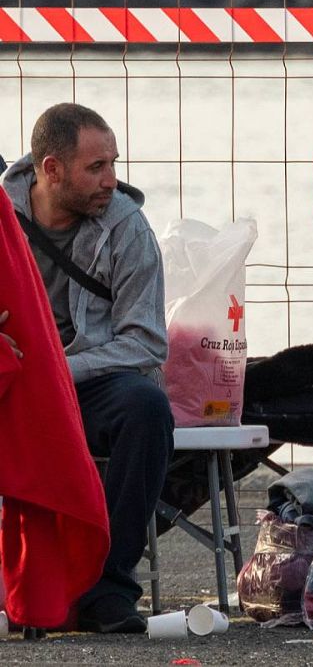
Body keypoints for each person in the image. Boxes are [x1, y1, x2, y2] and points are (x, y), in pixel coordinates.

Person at [3, 103, 170, 634]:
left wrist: (58, 371)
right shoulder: (3, 217)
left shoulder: (127, 226)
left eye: (113, 164)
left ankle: (108, 588)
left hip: (85, 382)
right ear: (50, 169)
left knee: (146, 408)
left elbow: (145, 343)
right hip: (11, 379)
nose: (111, 180)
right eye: (96, 167)